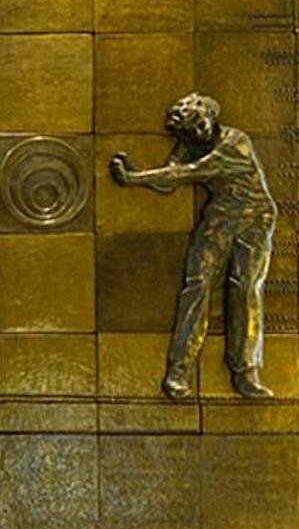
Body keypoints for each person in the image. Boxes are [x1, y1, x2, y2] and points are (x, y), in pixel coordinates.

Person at [109, 92, 279, 400]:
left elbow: (192, 172)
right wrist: (137, 173)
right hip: (220, 216)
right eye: (191, 128)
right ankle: (179, 371)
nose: (199, 131)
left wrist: (134, 178)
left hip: (255, 218)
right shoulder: (189, 143)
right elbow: (168, 181)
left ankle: (246, 372)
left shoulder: (235, 141)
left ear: (212, 117)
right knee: (197, 285)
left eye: (201, 123)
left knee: (245, 289)